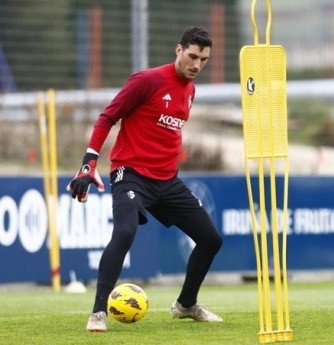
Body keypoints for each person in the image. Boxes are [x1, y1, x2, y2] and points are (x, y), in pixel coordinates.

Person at [67, 26, 223, 332]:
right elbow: (107, 117)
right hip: (131, 174)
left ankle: (186, 305)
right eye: (192, 56)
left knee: (211, 239)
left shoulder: (190, 91)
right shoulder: (148, 80)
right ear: (178, 50)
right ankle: (98, 312)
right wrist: (88, 162)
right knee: (125, 232)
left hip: (168, 181)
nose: (196, 65)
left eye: (203, 60)